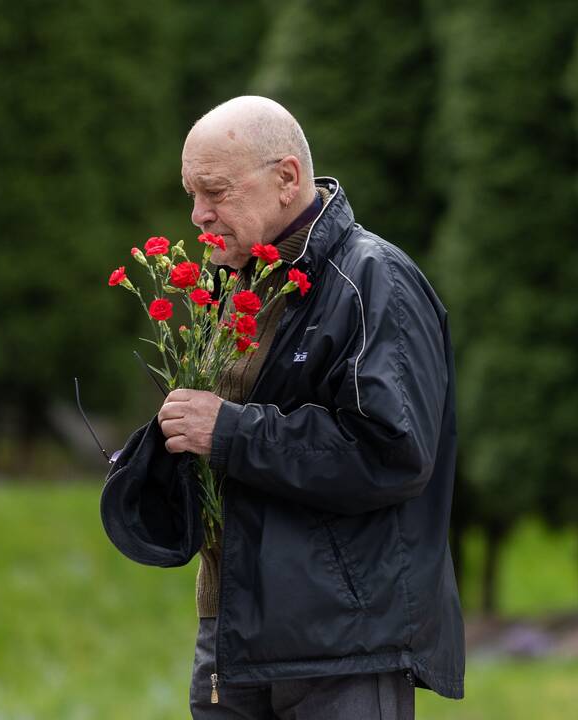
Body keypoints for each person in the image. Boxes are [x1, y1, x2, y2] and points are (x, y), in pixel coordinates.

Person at [155, 96, 464, 718]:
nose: (198, 215)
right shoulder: (235, 280)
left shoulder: (375, 279)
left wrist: (230, 432)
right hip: (233, 629)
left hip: (343, 643)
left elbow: (393, 453)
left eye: (214, 191)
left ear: (287, 178)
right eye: (192, 193)